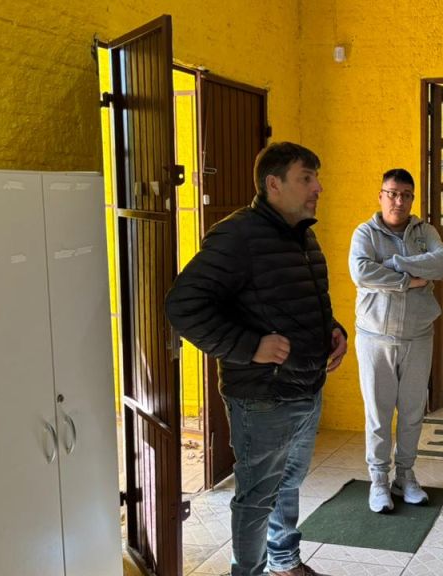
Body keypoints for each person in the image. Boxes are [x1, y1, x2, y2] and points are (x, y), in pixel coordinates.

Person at [165, 142, 346, 576]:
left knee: (288, 483)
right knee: (257, 496)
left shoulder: (302, 233)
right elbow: (183, 306)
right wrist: (251, 346)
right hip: (262, 396)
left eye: (316, 178)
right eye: (307, 178)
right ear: (273, 184)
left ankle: (284, 560)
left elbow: (300, 298)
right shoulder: (238, 236)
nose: (318, 188)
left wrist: (333, 330)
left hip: (305, 387)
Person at [348, 168, 443, 513]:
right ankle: (378, 480)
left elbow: (442, 262)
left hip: (418, 337)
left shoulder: (425, 232)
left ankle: (404, 476)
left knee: (411, 413)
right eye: (392, 193)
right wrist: (409, 280)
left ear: (412, 198)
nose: (399, 201)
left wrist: (394, 264)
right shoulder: (365, 233)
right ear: (381, 196)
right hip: (374, 337)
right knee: (378, 415)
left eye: (406, 195)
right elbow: (362, 271)